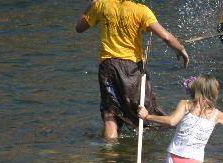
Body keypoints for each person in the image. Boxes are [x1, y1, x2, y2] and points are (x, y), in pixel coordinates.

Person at [75, 0, 189, 139]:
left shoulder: (102, 4)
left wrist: (92, 5)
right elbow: (165, 36)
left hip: (107, 66)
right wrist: (181, 49)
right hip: (132, 69)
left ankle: (109, 157)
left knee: (110, 116)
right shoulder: (141, 10)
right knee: (146, 111)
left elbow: (79, 27)